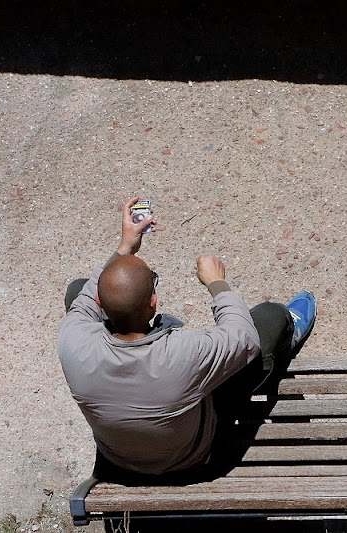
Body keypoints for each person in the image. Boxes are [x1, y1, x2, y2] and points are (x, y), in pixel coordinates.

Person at [57, 197, 316, 481]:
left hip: (118, 459)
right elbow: (244, 337)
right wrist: (217, 283)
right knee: (270, 317)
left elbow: (86, 298)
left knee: (76, 289)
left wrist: (125, 247)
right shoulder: (184, 353)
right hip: (191, 458)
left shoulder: (73, 340)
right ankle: (290, 332)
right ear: (153, 302)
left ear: (99, 303)